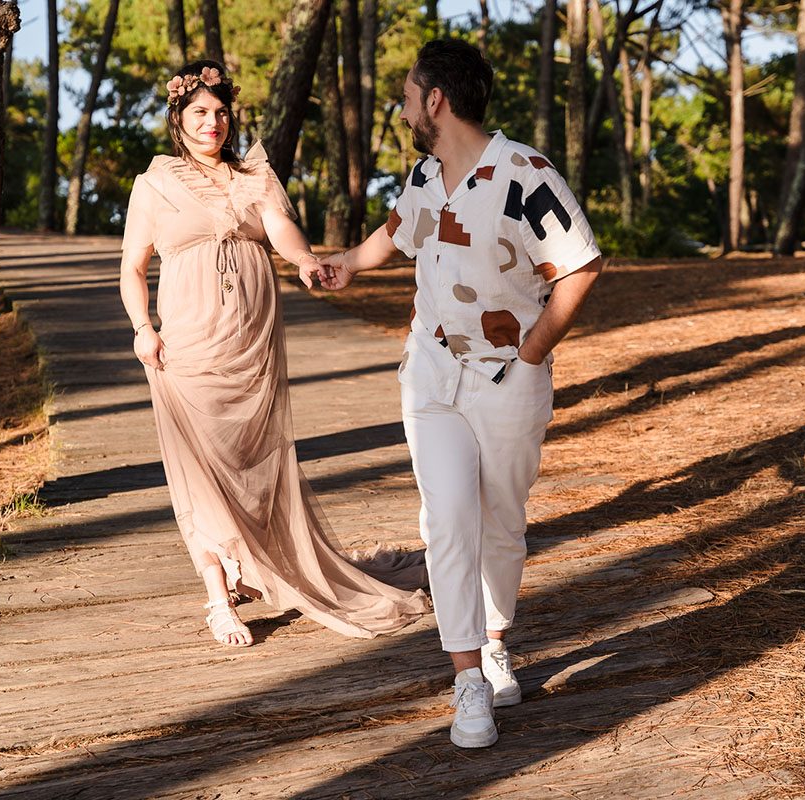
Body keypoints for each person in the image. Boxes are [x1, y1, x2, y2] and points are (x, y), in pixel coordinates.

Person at [320, 40, 603, 748]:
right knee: (447, 522)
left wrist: (533, 350)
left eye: (410, 94)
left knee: (501, 524)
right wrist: (347, 266)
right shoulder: (426, 174)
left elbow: (580, 267)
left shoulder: (524, 173)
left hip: (507, 383)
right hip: (430, 374)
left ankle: (498, 638)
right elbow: (395, 232)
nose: (405, 105)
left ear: (436, 102)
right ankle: (468, 679)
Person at [119, 61, 429, 648]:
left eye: (220, 113)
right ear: (178, 120)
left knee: (255, 459)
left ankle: (252, 560)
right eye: (199, 113)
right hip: (187, 342)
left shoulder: (253, 175)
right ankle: (217, 595)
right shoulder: (154, 184)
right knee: (200, 464)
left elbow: (282, 231)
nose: (213, 123)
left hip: (252, 341)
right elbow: (132, 268)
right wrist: (142, 328)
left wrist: (309, 261)